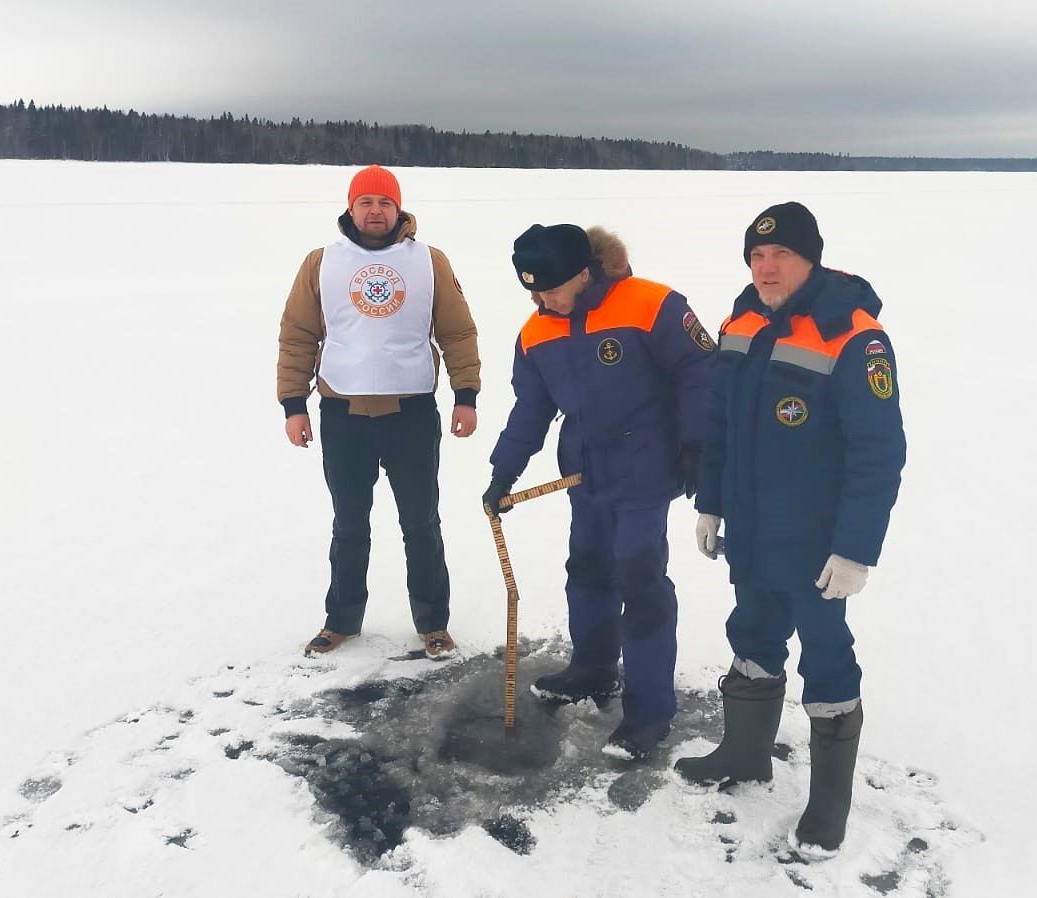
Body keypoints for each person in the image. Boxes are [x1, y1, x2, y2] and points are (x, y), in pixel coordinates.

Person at [676, 202, 906, 852]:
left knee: (827, 657)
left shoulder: (853, 334)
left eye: (780, 254)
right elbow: (721, 425)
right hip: (750, 530)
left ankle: (829, 806)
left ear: (811, 258)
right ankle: (744, 756)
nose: (767, 266)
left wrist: (856, 550)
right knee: (751, 632)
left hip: (816, 545)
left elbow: (878, 451)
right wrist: (711, 503)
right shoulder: (740, 320)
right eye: (756, 255)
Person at [483, 223, 715, 760]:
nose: (542, 301)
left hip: (646, 468)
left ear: (583, 274)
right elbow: (532, 407)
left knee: (639, 577)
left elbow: (702, 372)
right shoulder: (537, 331)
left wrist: (696, 445)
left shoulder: (651, 304)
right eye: (533, 292)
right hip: (584, 474)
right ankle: (592, 669)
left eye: (550, 290)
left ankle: (650, 710)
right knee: (587, 568)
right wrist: (504, 472)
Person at [277, 164, 481, 660]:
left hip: (411, 414)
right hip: (342, 414)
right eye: (365, 202)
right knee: (349, 524)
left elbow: (457, 331)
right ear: (351, 208)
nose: (375, 211)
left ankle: (433, 623)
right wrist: (293, 404)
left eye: (384, 202)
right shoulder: (320, 263)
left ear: (399, 209)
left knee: (421, 522)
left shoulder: (429, 261)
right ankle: (341, 620)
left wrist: (466, 393)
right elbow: (298, 334)